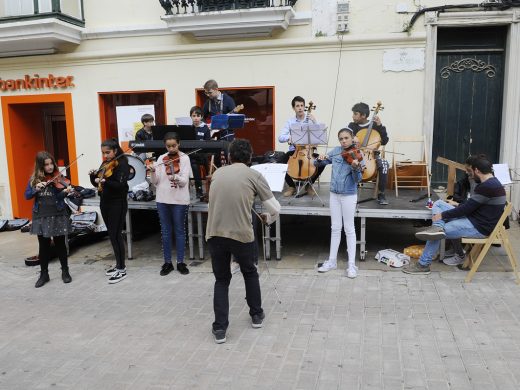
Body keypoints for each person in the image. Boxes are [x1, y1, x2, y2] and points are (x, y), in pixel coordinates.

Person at [206, 139, 281, 344]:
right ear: (250, 157)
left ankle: (220, 329)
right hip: (241, 234)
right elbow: (275, 209)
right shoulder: (254, 175)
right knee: (250, 272)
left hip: (215, 233)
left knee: (221, 280)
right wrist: (268, 219)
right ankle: (256, 315)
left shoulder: (218, 173)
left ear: (230, 157)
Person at [402, 154, 506, 275]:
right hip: (473, 218)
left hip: (478, 227)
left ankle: (423, 265)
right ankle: (438, 226)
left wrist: (443, 215)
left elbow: (466, 209)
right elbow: (471, 206)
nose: (468, 174)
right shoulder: (492, 183)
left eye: (469, 171)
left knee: (435, 234)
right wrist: (455, 206)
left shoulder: (487, 187)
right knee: (440, 203)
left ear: (477, 170)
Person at [315, 128, 363, 278]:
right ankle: (332, 261)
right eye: (341, 138)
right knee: (335, 227)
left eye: (346, 138)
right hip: (334, 194)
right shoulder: (336, 151)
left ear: (352, 138)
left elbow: (358, 180)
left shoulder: (356, 154)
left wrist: (355, 168)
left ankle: (351, 265)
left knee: (349, 229)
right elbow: (317, 163)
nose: (343, 141)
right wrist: (320, 158)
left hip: (348, 195)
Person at [25, 151, 73, 288]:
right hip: (41, 216)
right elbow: (27, 196)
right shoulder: (34, 180)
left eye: (51, 163)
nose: (50, 167)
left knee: (60, 244)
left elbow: (58, 197)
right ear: (40, 166)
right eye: (46, 165)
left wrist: (64, 192)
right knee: (43, 246)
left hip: (57, 213)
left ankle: (65, 271)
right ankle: (44, 274)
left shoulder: (58, 178)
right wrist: (35, 189)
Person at [148, 132, 191, 276]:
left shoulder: (184, 158)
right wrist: (153, 172)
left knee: (179, 231)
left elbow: (184, 181)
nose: (171, 149)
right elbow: (155, 182)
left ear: (178, 144)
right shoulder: (161, 158)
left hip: (179, 199)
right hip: (162, 199)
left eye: (174, 146)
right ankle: (167, 262)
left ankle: (180, 262)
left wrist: (175, 177)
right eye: (168, 146)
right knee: (165, 232)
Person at [89, 139, 130, 284]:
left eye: (108, 152)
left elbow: (120, 185)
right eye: (103, 153)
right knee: (111, 235)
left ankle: (122, 269)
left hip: (117, 203)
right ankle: (118, 265)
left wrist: (106, 182)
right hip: (104, 201)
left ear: (115, 151)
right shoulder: (105, 164)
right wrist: (93, 176)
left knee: (116, 235)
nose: (105, 156)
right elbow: (97, 183)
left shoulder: (123, 164)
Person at [278, 96, 325, 197]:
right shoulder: (290, 122)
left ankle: (309, 185)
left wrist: (315, 122)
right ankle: (291, 186)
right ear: (293, 108)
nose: (300, 108)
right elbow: (280, 137)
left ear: (304, 107)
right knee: (280, 162)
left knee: (323, 162)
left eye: (302, 105)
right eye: (297, 106)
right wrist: (289, 137)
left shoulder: (311, 120)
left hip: (309, 152)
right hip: (295, 151)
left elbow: (319, 136)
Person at [348, 102, 390, 205]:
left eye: (355, 114)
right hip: (356, 155)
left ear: (363, 115)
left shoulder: (376, 126)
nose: (353, 116)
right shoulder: (352, 125)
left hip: (372, 156)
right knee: (345, 162)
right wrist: (353, 137)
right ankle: (347, 191)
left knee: (384, 164)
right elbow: (345, 136)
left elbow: (384, 141)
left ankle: (381, 193)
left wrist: (380, 126)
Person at [189, 105, 211, 198]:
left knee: (206, 164)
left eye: (198, 116)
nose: (196, 118)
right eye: (194, 116)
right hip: (192, 155)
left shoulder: (205, 128)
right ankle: (199, 190)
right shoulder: (189, 128)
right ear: (191, 117)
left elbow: (208, 142)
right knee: (194, 165)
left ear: (201, 117)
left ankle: (209, 190)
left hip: (203, 155)